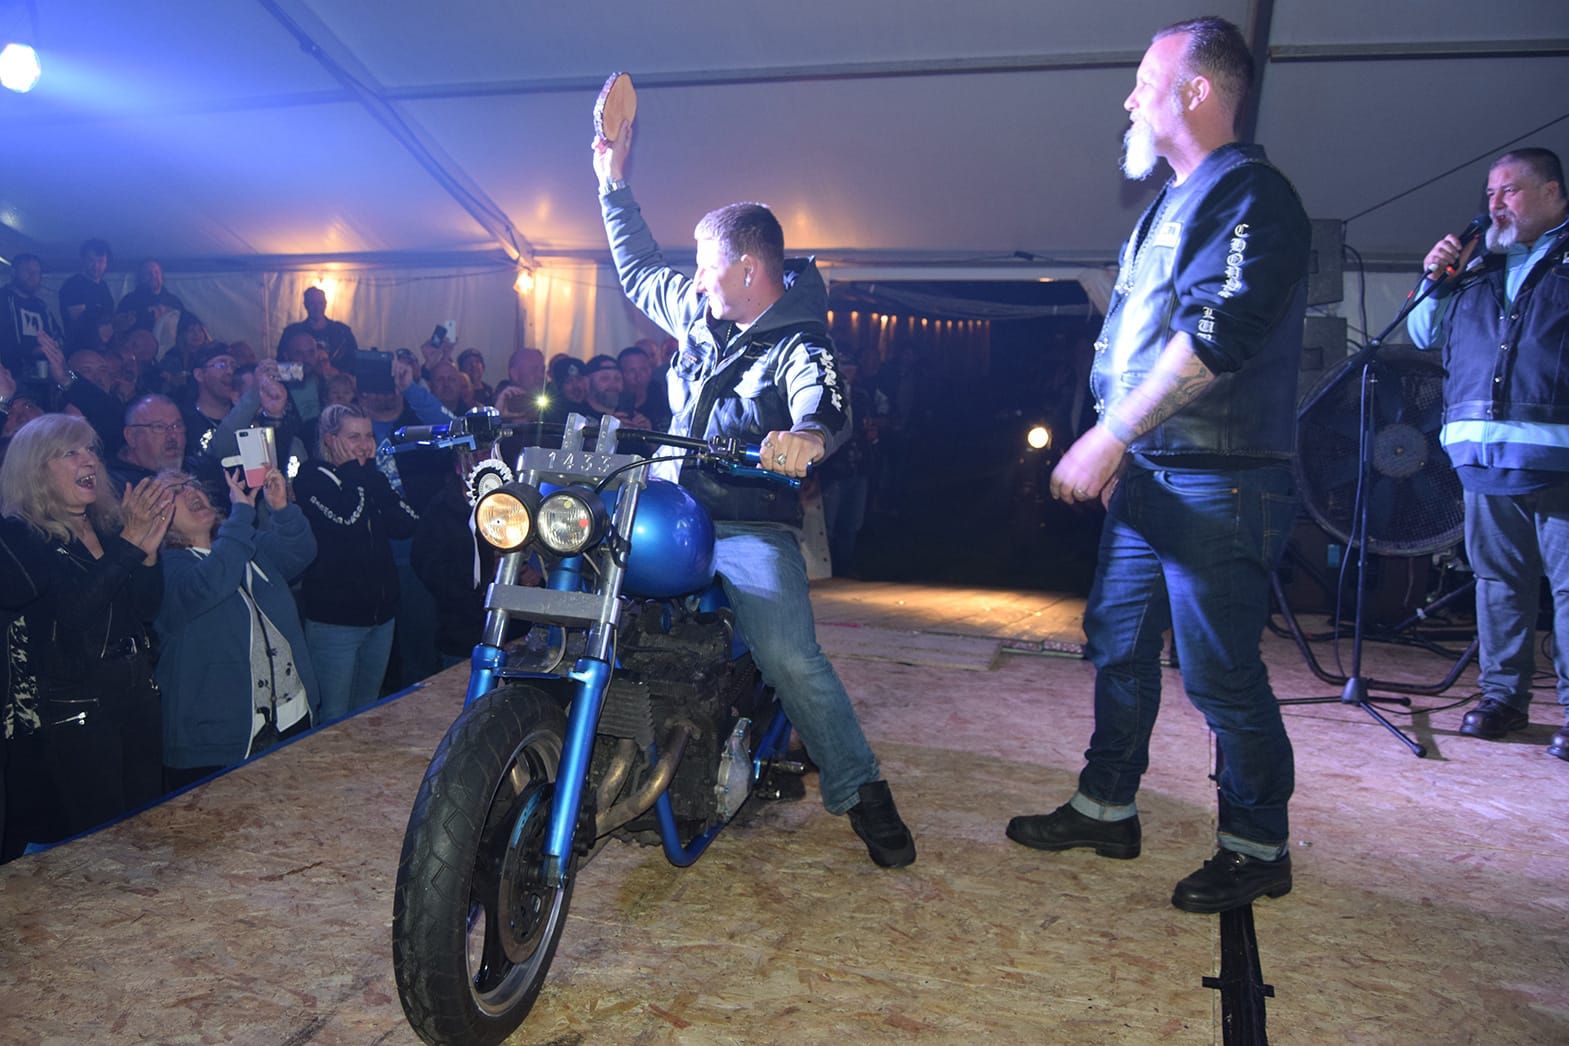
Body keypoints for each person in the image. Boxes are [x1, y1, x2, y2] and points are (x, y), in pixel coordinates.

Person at [1004, 16, 1311, 913]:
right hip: (1154, 471)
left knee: (1218, 674)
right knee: (1117, 644)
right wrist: (1121, 448)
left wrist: (1107, 437)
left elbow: (1214, 335)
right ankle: (1106, 807)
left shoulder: (1250, 194)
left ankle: (1256, 844)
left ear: (1196, 91)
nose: (1129, 97)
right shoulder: (1167, 206)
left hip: (1218, 478)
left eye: (1145, 79)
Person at [593, 113, 915, 868]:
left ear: (745, 268)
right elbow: (637, 267)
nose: (695, 278)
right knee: (580, 587)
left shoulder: (801, 340)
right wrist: (611, 183)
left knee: (790, 658)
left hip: (746, 526)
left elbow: (823, 399)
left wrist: (807, 437)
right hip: (667, 512)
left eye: (706, 265)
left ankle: (860, 787)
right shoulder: (698, 313)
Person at [1407, 148, 1569, 761]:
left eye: (1511, 191)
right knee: (1499, 582)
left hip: (1558, 455)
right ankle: (1502, 699)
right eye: (1491, 193)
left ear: (1552, 192)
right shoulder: (1475, 265)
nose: (1495, 204)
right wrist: (1434, 278)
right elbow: (1421, 333)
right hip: (1481, 455)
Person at [0, 413, 174, 846]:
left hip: (137, 690)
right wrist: (129, 545)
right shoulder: (23, 535)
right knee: (103, 843)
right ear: (36, 469)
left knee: (148, 828)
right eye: (70, 452)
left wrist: (148, 554)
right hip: (79, 708)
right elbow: (74, 615)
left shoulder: (109, 524)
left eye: (91, 450)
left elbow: (145, 609)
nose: (89, 460)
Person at [155, 465, 318, 790]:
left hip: (292, 714)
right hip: (221, 741)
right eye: (174, 491)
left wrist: (282, 509)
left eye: (192, 484)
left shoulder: (244, 544)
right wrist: (241, 515)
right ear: (157, 517)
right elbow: (212, 583)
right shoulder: (163, 572)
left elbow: (299, 553)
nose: (191, 491)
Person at [294, 404, 418, 720]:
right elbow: (347, 520)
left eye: (368, 436)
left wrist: (371, 480)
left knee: (367, 712)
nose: (364, 445)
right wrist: (356, 474)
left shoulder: (369, 477)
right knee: (333, 718)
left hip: (381, 618)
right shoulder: (311, 477)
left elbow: (407, 523)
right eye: (354, 437)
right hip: (335, 623)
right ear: (330, 439)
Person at [276, 286, 358, 372]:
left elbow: (354, 364)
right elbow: (281, 366)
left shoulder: (342, 333)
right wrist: (304, 371)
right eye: (312, 303)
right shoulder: (292, 332)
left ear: (325, 304)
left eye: (320, 303)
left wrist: (334, 373)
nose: (317, 307)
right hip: (301, 380)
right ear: (305, 305)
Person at [116, 259, 185, 335]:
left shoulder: (173, 301)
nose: (153, 276)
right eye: (148, 273)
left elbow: (185, 326)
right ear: (140, 278)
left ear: (162, 277)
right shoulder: (129, 301)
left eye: (156, 272)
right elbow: (117, 329)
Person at [618, 344, 671, 430]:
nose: (638, 376)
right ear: (620, 374)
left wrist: (650, 433)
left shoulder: (663, 395)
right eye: (631, 371)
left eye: (643, 369)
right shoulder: (612, 401)